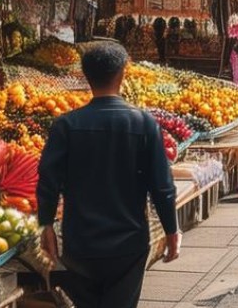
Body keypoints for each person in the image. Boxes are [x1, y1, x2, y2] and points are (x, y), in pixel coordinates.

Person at [36, 42, 180, 308]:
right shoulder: (143, 123)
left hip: (80, 244)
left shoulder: (66, 125)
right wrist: (171, 230)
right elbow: (162, 186)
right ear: (122, 75)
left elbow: (48, 181)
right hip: (129, 243)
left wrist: (45, 224)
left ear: (87, 77)